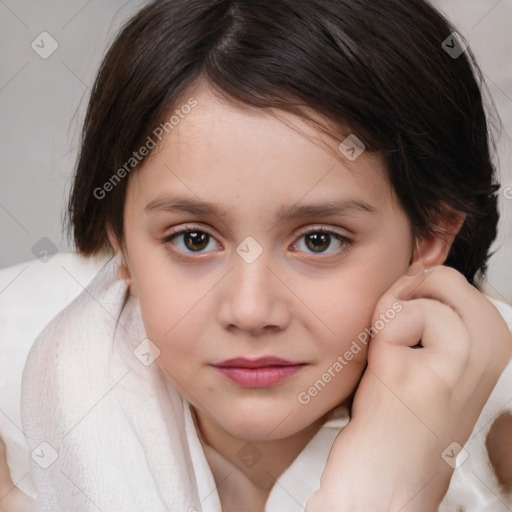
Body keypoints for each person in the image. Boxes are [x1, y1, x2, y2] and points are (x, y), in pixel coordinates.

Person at [1, 0, 511, 511]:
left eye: (318, 240)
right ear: (120, 241)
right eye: (194, 239)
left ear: (429, 237)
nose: (250, 311)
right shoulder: (17, 412)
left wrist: (396, 483)